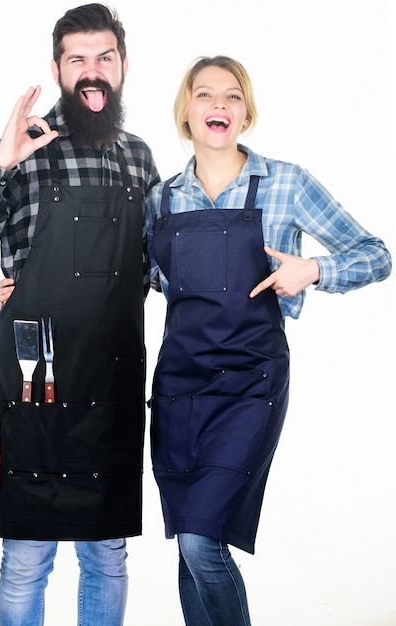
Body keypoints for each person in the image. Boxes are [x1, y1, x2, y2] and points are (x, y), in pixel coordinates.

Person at [144, 56, 392, 625]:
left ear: (246, 112)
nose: (219, 106)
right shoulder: (161, 201)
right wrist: (29, 289)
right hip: (180, 388)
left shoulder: (286, 183)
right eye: (205, 95)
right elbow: (132, 282)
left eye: (232, 97)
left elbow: (376, 254)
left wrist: (316, 270)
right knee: (189, 540)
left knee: (203, 542)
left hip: (251, 386)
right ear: (186, 110)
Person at [0, 4, 160, 625]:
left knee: (107, 561)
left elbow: (158, 267)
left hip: (112, 386)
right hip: (36, 381)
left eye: (104, 58)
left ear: (123, 66)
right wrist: (0, 162)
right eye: (77, 59)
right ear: (58, 68)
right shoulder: (23, 147)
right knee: (26, 561)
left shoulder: (139, 159)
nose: (92, 72)